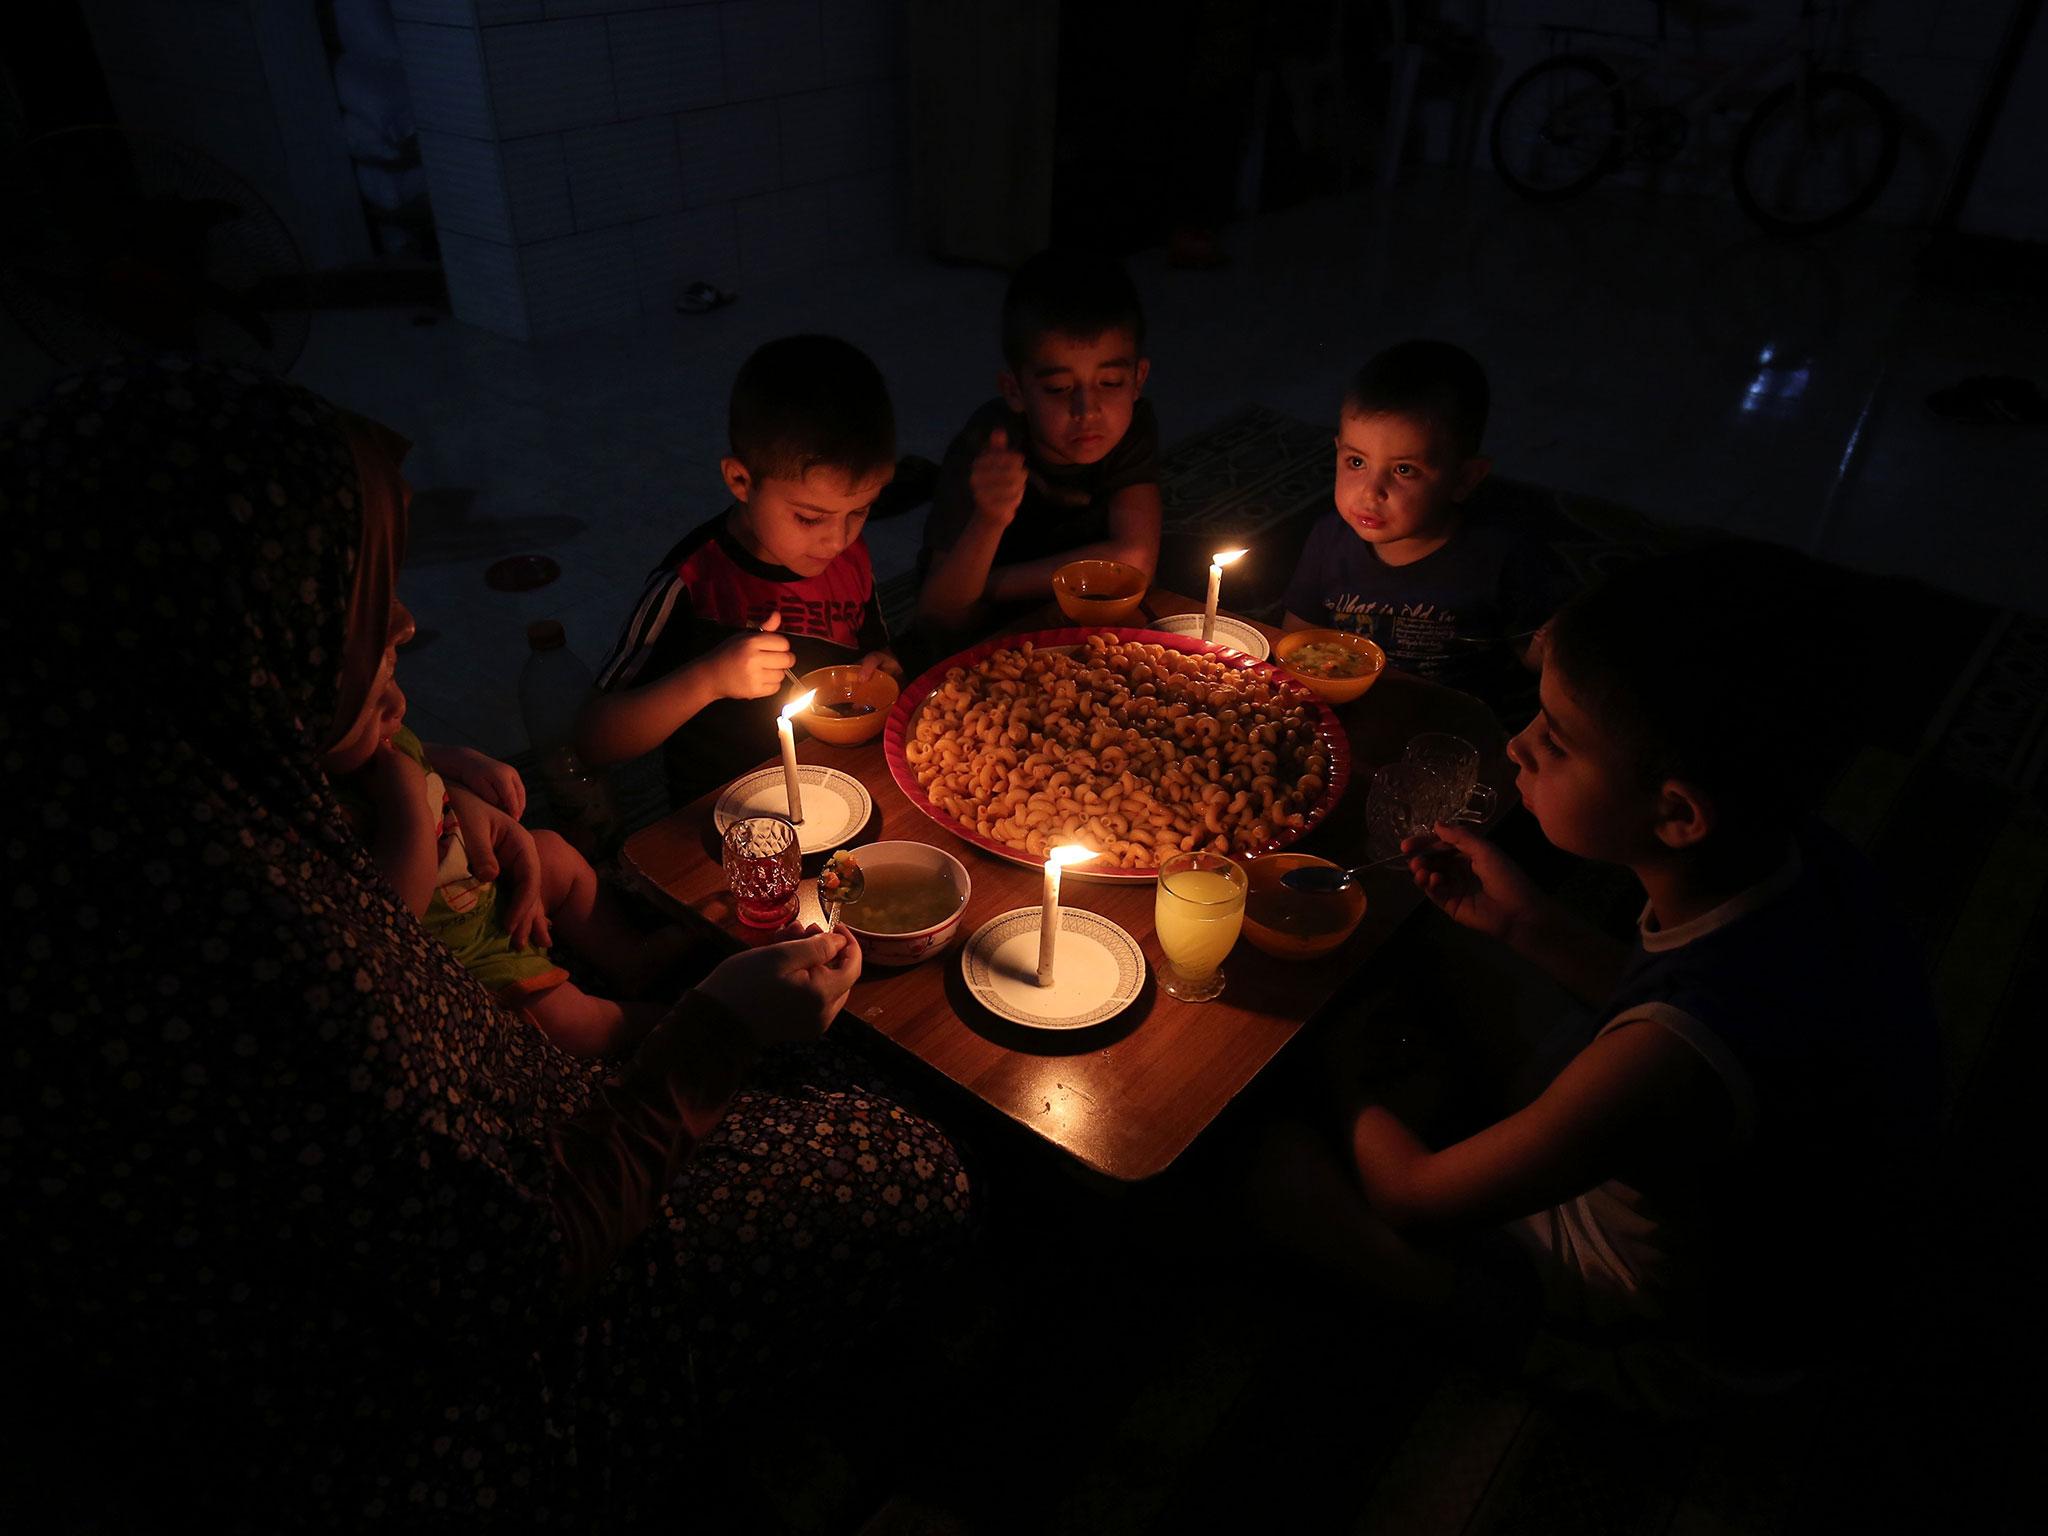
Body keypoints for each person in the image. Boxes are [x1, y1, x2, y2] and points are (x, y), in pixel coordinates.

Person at [3, 358, 973, 1526]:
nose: (407, 625)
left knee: (826, 1063)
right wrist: (713, 1036)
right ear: (218, 629)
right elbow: (512, 1267)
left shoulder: (164, 802)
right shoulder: (240, 952)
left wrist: (434, 782)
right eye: (352, 601)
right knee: (898, 1157)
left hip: (497, 1181)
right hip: (417, 1402)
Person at [1254, 544, 1936, 1414]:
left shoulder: (1668, 1058)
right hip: (1725, 1166)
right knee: (1439, 949)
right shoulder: (1803, 856)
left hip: (1678, 1328)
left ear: (1678, 813)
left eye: (1557, 740)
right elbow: (1690, 996)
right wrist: (1525, 925)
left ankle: (1517, 1328)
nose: (1517, 745)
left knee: (1271, 1166)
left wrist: (1331, 1060)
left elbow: (1416, 1198)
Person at [576, 334, 903, 807]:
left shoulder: (849, 558)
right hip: (724, 812)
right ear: (740, 481)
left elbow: (875, 646)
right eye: (810, 517)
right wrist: (708, 679)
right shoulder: (692, 582)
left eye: (861, 511)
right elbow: (593, 739)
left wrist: (883, 668)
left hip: (839, 786)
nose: (837, 540)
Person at [328, 677, 695, 1057]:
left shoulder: (380, 740)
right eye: (367, 701)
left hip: (484, 881)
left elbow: (419, 752)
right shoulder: (334, 809)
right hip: (468, 955)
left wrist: (457, 759)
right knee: (569, 1019)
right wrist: (409, 806)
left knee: (552, 852)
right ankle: (660, 1027)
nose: (398, 704)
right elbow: (394, 915)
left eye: (390, 677)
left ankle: (628, 956)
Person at [1281, 339, 1570, 719]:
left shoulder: (1500, 556)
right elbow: (1297, 639)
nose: (1371, 492)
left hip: (1453, 724)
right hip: (1352, 713)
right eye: (1355, 461)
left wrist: (1555, 644)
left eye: (1404, 470)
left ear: (1464, 478)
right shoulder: (1328, 540)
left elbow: (1535, 662)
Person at [914, 249, 1162, 641]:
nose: (1088, 410)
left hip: (1058, 610)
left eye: (1111, 382)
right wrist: (990, 519)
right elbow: (939, 614)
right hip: (989, 633)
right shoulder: (989, 451)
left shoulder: (1131, 428)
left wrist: (989, 583)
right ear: (1015, 390)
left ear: (1137, 380)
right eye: (1059, 388)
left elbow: (1135, 560)